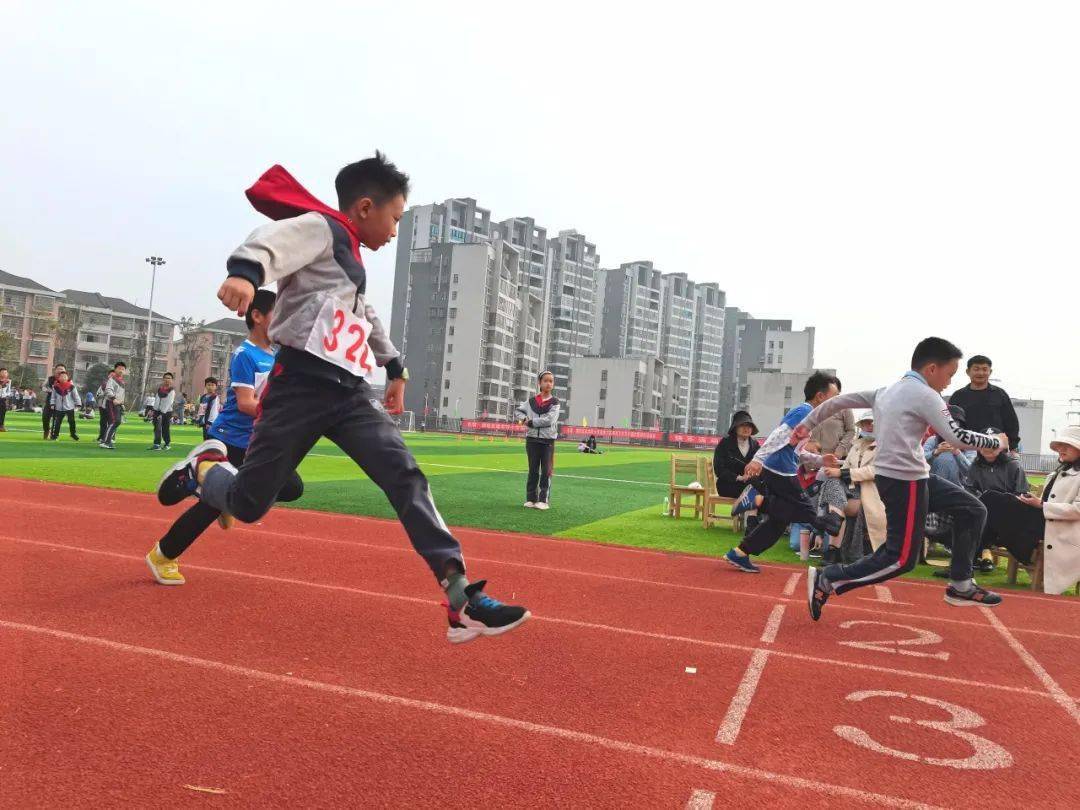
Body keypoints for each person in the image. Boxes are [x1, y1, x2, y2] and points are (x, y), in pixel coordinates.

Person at [154, 154, 527, 644]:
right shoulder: (323, 229)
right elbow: (271, 242)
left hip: (349, 393)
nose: (395, 231)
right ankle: (200, 471)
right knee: (247, 505)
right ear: (366, 207)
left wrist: (393, 365)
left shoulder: (350, 263)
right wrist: (246, 273)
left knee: (404, 474)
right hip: (298, 389)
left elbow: (364, 316)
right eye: (395, 218)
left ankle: (460, 595)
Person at [799, 337, 1008, 620]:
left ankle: (960, 583)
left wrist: (804, 426)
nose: (949, 382)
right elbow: (955, 436)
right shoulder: (924, 394)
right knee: (899, 558)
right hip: (903, 481)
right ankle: (829, 578)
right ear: (932, 368)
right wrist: (996, 442)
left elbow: (838, 401)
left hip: (915, 477)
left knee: (972, 509)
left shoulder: (887, 391)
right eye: (950, 374)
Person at [147, 290, 305, 585]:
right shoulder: (245, 355)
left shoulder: (275, 355)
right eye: (278, 314)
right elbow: (246, 403)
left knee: (290, 486)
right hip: (233, 439)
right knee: (211, 506)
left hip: (259, 441)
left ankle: (219, 491)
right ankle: (163, 555)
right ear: (257, 316)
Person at [724, 371, 846, 574]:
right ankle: (758, 500)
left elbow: (796, 450)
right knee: (808, 510)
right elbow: (778, 435)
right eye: (834, 398)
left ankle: (740, 552)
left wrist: (819, 459)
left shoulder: (810, 417)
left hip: (780, 468)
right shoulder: (804, 411)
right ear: (820, 396)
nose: (836, 404)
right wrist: (757, 459)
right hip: (780, 471)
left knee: (779, 520)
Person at [976, 426, 1080, 594]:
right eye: (1059, 445)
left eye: (1067, 445)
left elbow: (1077, 509)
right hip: (1045, 522)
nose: (1061, 449)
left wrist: (1041, 505)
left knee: (992, 501)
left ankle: (980, 551)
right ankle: (982, 549)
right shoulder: (1058, 473)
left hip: (1060, 530)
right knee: (992, 499)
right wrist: (1030, 501)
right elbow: (1045, 502)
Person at [963, 430, 1029, 573]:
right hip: (982, 511)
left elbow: (1022, 494)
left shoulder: (1013, 466)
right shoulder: (975, 466)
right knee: (974, 509)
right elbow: (968, 490)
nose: (988, 448)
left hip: (1009, 515)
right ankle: (983, 555)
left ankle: (970, 560)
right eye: (984, 443)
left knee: (990, 501)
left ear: (1002, 447)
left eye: (993, 444)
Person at [833, 411, 887, 563]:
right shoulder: (855, 446)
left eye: (872, 422)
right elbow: (846, 465)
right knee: (831, 486)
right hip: (853, 490)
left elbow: (876, 470)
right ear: (861, 425)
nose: (869, 426)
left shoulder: (885, 445)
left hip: (876, 492)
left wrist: (846, 473)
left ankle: (857, 554)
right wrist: (840, 473)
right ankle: (834, 546)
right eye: (866, 422)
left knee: (869, 522)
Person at [947, 355, 1020, 452]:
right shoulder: (958, 396)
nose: (981, 373)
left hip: (994, 448)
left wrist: (1012, 446)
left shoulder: (1000, 394)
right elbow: (949, 423)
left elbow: (1011, 423)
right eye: (976, 369)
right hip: (965, 448)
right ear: (968, 372)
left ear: (990, 372)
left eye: (985, 369)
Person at [516, 370, 560, 510]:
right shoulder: (531, 401)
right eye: (545, 380)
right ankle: (531, 498)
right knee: (533, 470)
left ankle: (543, 500)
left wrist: (531, 422)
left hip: (548, 441)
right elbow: (517, 411)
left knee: (546, 470)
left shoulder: (555, 402)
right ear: (539, 383)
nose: (548, 383)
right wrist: (523, 419)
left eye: (551, 381)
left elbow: (549, 420)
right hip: (532, 439)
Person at [712, 410, 759, 498]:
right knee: (755, 493)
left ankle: (750, 511)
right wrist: (739, 477)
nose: (746, 428)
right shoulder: (725, 443)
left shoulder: (755, 444)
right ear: (735, 427)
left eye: (749, 425)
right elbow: (719, 469)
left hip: (750, 484)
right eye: (742, 425)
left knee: (764, 490)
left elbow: (761, 464)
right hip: (728, 485)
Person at [47, 370, 81, 440]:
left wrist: (78, 404)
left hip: (69, 408)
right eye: (61, 376)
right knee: (57, 423)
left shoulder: (71, 387)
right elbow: (53, 397)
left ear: (67, 378)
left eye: (65, 376)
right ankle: (55, 435)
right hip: (59, 408)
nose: (63, 378)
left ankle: (73, 434)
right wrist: (52, 404)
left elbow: (76, 396)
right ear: (58, 378)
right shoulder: (55, 387)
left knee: (72, 422)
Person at [100, 361, 126, 450]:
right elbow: (108, 390)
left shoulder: (122, 381)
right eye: (119, 368)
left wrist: (122, 403)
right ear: (115, 369)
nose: (121, 370)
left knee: (117, 421)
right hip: (111, 403)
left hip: (118, 404)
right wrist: (113, 398)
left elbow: (121, 394)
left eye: (123, 369)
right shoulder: (112, 379)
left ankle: (106, 440)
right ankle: (106, 441)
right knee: (114, 421)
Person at [148, 372, 176, 451]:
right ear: (163, 379)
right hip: (157, 411)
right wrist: (154, 410)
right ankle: (157, 444)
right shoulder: (160, 389)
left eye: (169, 378)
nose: (167, 380)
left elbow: (168, 403)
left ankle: (167, 444)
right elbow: (157, 400)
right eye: (166, 378)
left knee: (165, 428)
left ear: (172, 380)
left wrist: (162, 413)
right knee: (156, 428)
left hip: (166, 412)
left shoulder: (171, 391)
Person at [41, 363, 66, 439]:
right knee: (45, 417)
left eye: (62, 369)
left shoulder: (68, 380)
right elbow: (43, 386)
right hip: (50, 400)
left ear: (65, 371)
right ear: (55, 370)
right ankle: (46, 430)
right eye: (59, 369)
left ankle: (54, 435)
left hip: (61, 401)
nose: (60, 371)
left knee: (56, 419)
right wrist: (48, 390)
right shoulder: (50, 379)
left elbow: (72, 389)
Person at [0, 367, 11, 432]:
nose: (5, 373)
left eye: (6, 372)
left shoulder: (8, 381)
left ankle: (1, 426)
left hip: (3, 399)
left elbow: (9, 391)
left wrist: (6, 395)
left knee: (3, 412)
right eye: (3, 372)